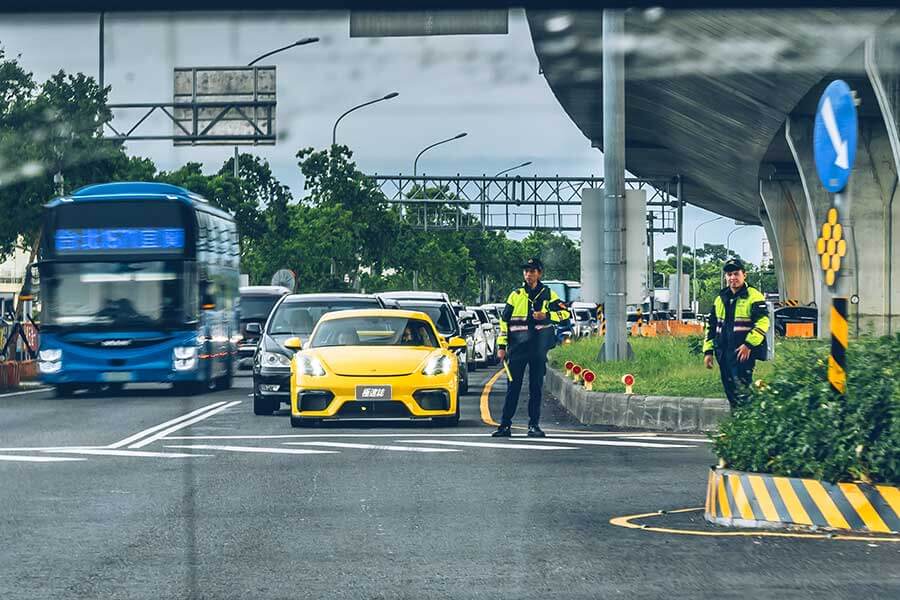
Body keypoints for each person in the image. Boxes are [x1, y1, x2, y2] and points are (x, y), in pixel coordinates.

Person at [492, 257, 570, 438]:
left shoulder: (548, 294)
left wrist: (547, 315)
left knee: (536, 387)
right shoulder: (515, 295)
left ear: (539, 273)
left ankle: (533, 425)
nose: (529, 274)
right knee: (513, 387)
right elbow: (504, 322)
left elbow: (565, 314)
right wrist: (501, 346)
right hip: (517, 349)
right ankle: (505, 425)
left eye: (533, 271)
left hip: (538, 348)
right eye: (526, 271)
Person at [702, 258, 770, 409]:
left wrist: (749, 344)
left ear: (744, 275)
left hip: (742, 352)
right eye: (729, 274)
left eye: (736, 273)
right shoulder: (720, 298)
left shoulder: (754, 296)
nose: (732, 277)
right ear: (725, 277)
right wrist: (708, 351)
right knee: (730, 390)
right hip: (723, 352)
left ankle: (746, 423)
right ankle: (739, 424)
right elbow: (711, 326)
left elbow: (763, 323)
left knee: (743, 390)